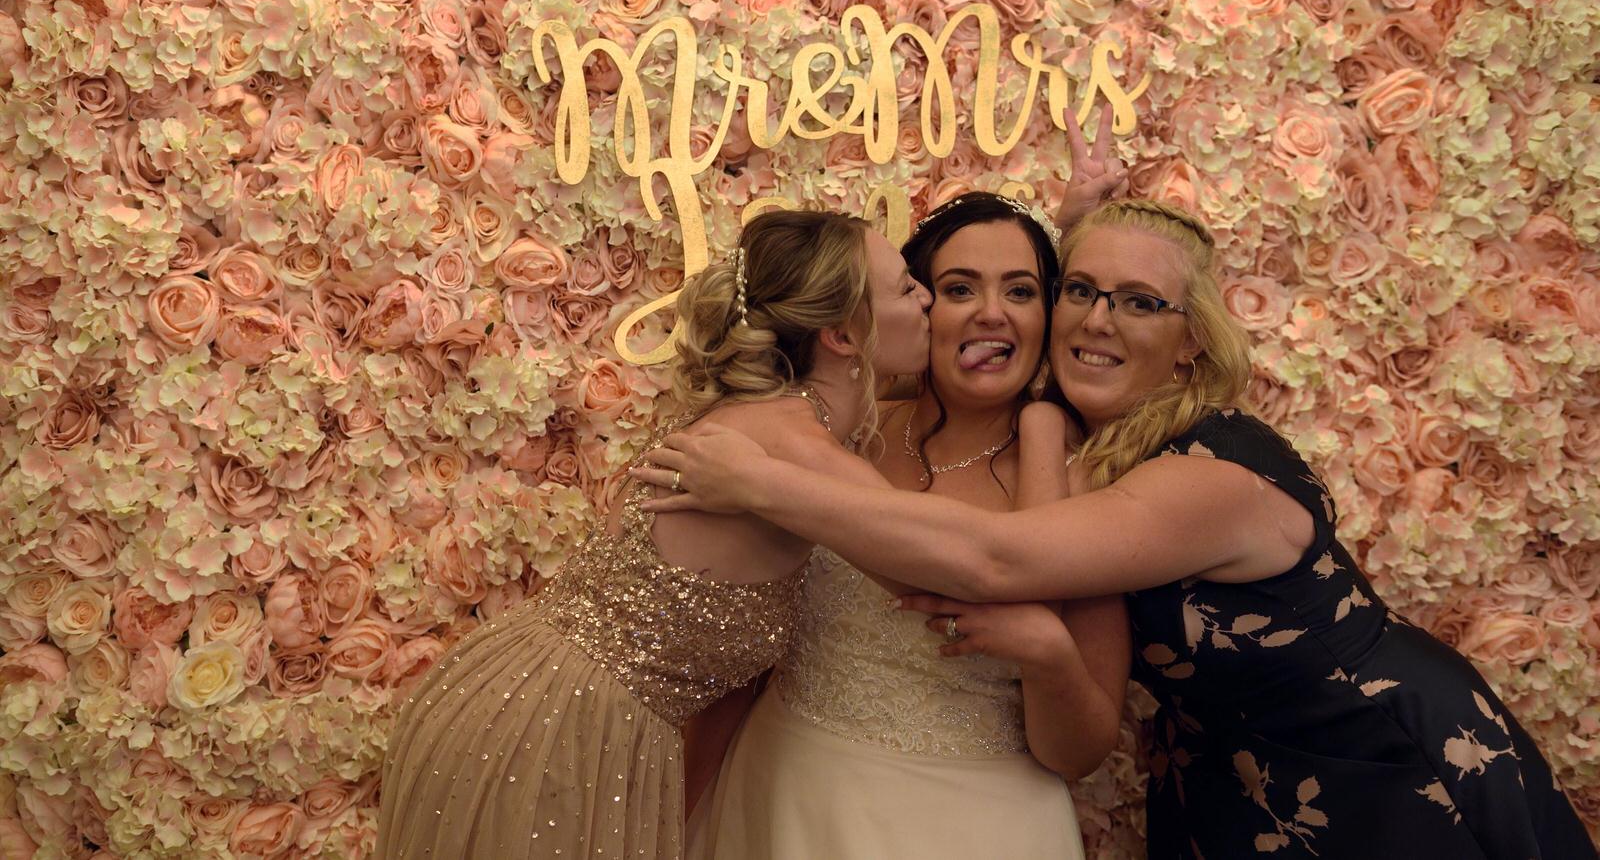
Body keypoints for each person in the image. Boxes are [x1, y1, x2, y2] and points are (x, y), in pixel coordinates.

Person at [634, 199, 1598, 858]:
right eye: (1082, 292)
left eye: (1136, 304)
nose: (1088, 318)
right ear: (912, 305)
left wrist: (758, 484)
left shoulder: (1199, 471)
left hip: (1376, 757)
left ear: (1193, 343)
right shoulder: (883, 431)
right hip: (1218, 780)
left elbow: (1000, 559)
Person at [374, 209, 932, 860]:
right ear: (841, 335)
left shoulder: (771, 428)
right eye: (905, 288)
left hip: (526, 703)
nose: (926, 299)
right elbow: (958, 567)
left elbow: (724, 686)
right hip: (557, 732)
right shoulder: (797, 446)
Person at [688, 192, 1129, 859]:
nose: (991, 313)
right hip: (787, 797)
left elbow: (1079, 751)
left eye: (1020, 290)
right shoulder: (840, 438)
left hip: (979, 827)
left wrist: (1051, 653)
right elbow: (741, 656)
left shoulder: (1087, 484)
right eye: (957, 288)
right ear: (914, 309)